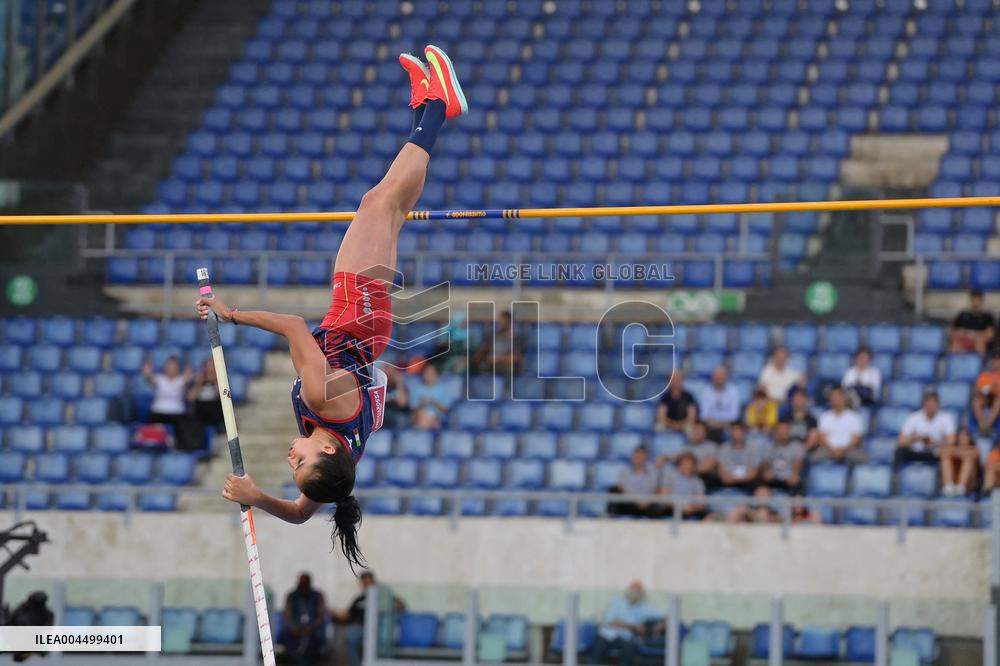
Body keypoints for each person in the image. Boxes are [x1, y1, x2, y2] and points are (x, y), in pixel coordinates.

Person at [201, 46, 468, 569]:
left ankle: (426, 110)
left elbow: (303, 514)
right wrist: (232, 316)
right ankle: (438, 108)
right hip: (356, 311)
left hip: (368, 327)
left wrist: (259, 499)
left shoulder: (340, 462)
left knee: (391, 206)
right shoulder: (324, 403)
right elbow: (293, 325)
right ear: (324, 452)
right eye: (298, 463)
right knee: (379, 204)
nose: (290, 458)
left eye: (292, 468)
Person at [332, 571, 406, 666]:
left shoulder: (384, 596)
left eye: (369, 583)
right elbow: (347, 615)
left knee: (384, 640)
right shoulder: (359, 599)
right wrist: (331, 611)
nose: (367, 586)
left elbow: (401, 605)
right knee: (350, 637)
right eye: (364, 584)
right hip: (361, 628)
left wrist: (393, 603)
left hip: (380, 629)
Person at [590, 582, 662, 666]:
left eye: (637, 591)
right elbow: (610, 621)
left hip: (625, 637)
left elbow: (664, 614)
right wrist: (632, 626)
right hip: (608, 634)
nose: (634, 593)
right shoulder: (617, 602)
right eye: (633, 590)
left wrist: (660, 625)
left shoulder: (643, 607)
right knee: (598, 647)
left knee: (630, 648)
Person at [141, 356, 194, 449]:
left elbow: (189, 378)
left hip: (177, 413)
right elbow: (149, 377)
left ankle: (178, 446)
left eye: (174, 367)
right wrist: (147, 372)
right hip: (158, 412)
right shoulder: (159, 379)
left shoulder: (181, 380)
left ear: (178, 368)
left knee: (184, 424)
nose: (171, 369)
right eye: (169, 366)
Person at [895, 391, 955, 467]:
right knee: (899, 450)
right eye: (928, 402)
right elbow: (901, 441)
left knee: (947, 452)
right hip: (916, 451)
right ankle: (895, 476)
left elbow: (951, 441)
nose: (931, 405)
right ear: (924, 404)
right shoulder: (914, 417)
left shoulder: (946, 418)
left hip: (935, 452)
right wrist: (918, 438)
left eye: (933, 402)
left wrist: (934, 443)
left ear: (938, 404)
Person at [282, 573, 328, 666]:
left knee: (313, 645)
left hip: (313, 631)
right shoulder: (292, 596)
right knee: (287, 640)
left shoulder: (318, 596)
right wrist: (293, 628)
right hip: (294, 631)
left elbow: (321, 617)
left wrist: (310, 629)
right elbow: (287, 615)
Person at [811, 387, 867, 464]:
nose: (835, 400)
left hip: (848, 450)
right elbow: (821, 438)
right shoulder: (825, 416)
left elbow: (857, 439)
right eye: (832, 398)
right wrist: (832, 450)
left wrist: (843, 450)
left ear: (844, 398)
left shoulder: (854, 417)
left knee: (863, 459)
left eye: (837, 397)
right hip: (828, 449)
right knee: (813, 458)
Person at [610, 446, 659, 517]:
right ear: (632, 457)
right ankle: (610, 518)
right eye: (637, 455)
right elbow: (622, 489)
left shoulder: (653, 473)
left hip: (647, 505)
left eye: (641, 455)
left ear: (646, 457)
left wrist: (645, 502)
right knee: (613, 490)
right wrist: (636, 501)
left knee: (658, 499)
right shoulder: (624, 472)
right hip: (630, 503)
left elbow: (654, 490)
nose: (639, 457)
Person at [697, 365, 741, 443]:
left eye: (721, 377)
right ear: (713, 377)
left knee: (735, 429)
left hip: (727, 424)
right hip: (710, 425)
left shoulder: (733, 391)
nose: (719, 379)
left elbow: (734, 415)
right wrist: (714, 422)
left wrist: (720, 423)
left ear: (726, 377)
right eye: (717, 377)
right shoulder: (706, 391)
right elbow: (704, 415)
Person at [659, 452, 708, 519]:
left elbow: (701, 503)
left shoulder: (698, 482)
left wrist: (693, 508)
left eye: (690, 464)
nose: (688, 466)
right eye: (685, 463)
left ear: (694, 466)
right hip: (671, 510)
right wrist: (678, 506)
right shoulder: (670, 476)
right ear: (679, 465)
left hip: (691, 512)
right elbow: (663, 496)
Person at [760, 421, 806, 492]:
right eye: (781, 429)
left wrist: (794, 474)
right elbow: (765, 463)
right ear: (776, 432)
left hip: (789, 478)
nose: (783, 432)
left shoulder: (797, 446)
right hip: (773, 478)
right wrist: (766, 471)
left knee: (797, 484)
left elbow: (798, 463)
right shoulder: (769, 446)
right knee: (761, 486)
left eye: (786, 429)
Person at [473, 310, 523, 375]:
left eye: (503, 320)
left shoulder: (516, 338)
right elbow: (484, 349)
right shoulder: (493, 336)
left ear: (510, 322)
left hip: (507, 367)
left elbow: (516, 358)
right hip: (491, 365)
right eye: (500, 320)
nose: (500, 322)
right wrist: (476, 357)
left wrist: (497, 359)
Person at [407, 363, 457, 429]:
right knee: (422, 415)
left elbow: (446, 410)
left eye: (431, 373)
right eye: (426, 373)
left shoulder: (443, 389)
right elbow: (413, 410)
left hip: (438, 418)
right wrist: (422, 403)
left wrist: (433, 402)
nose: (428, 376)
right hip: (419, 417)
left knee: (429, 420)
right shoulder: (416, 388)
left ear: (436, 375)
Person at [949, 289, 995, 354]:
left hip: (978, 341)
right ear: (971, 301)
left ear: (982, 301)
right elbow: (952, 330)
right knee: (955, 344)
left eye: (978, 300)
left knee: (980, 344)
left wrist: (975, 335)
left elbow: (990, 334)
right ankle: (954, 362)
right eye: (974, 300)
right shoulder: (962, 315)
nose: (976, 303)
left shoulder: (987, 317)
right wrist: (958, 334)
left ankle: (980, 362)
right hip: (963, 340)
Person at [716, 422, 761, 491]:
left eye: (739, 431)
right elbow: (722, 473)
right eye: (734, 431)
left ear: (744, 433)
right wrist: (732, 479)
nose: (736, 434)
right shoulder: (723, 448)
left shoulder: (752, 449)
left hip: (747, 485)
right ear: (730, 433)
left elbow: (754, 472)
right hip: (727, 485)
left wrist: (736, 479)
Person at [939, 427, 980, 497]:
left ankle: (961, 487)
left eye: (965, 437)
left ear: (969, 438)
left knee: (968, 459)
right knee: (945, 458)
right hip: (953, 485)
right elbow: (942, 452)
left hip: (968, 484)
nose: (963, 439)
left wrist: (957, 452)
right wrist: (958, 451)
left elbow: (973, 454)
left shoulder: (974, 449)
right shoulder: (951, 447)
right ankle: (948, 486)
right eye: (961, 437)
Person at [188, 357, 224, 432]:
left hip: (214, 411)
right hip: (200, 412)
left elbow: (224, 397)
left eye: (212, 366)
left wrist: (215, 381)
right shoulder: (198, 380)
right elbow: (191, 397)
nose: (210, 369)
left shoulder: (222, 380)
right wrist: (200, 381)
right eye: (208, 366)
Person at [682, 421, 718, 486]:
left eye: (700, 430)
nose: (697, 432)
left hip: (705, 478)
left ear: (706, 433)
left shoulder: (711, 446)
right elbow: (681, 465)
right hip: (687, 477)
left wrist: (691, 469)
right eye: (695, 429)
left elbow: (709, 465)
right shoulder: (686, 447)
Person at [972, 353, 1000, 437]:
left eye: (998, 361)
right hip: (985, 398)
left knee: (998, 401)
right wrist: (991, 388)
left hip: (997, 399)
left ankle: (987, 425)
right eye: (994, 361)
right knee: (976, 400)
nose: (996, 364)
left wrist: (990, 388)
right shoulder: (984, 375)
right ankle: (983, 425)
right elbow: (977, 389)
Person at [382, 365, 411, 429]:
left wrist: (399, 383)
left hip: (395, 412)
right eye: (386, 374)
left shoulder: (400, 386)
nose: (388, 376)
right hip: (381, 413)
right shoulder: (379, 385)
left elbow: (402, 404)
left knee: (400, 419)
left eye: (390, 374)